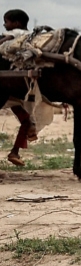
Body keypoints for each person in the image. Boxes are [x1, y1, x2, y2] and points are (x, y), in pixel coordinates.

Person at [2, 9, 36, 166]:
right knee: (27, 121)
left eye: (6, 21)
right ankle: (14, 152)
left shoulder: (17, 33)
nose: (4, 24)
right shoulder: (31, 36)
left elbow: (5, 41)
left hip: (9, 88)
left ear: (16, 23)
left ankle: (15, 152)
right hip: (17, 90)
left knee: (27, 121)